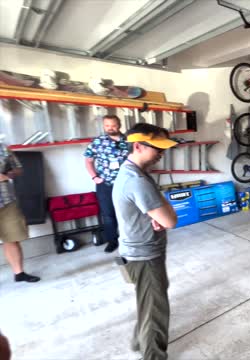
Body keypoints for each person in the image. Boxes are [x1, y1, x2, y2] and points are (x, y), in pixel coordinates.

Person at [112, 123, 178, 360]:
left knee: (148, 302)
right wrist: (161, 208)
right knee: (156, 311)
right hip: (145, 256)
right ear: (138, 146)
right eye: (157, 148)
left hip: (137, 250)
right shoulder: (137, 180)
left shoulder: (132, 172)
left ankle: (139, 341)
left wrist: (153, 212)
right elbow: (170, 220)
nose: (162, 153)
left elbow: (152, 212)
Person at [84, 115, 129, 253]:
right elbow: (88, 161)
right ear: (103, 126)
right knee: (108, 214)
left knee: (129, 212)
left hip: (127, 183)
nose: (110, 128)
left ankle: (130, 239)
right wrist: (94, 177)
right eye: (107, 125)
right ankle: (112, 241)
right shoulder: (97, 142)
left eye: (113, 125)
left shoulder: (129, 141)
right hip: (106, 184)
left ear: (119, 125)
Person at [0, 143, 40, 283]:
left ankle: (19, 273)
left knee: (12, 238)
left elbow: (18, 169)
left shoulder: (2, 148)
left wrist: (8, 174)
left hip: (7, 201)